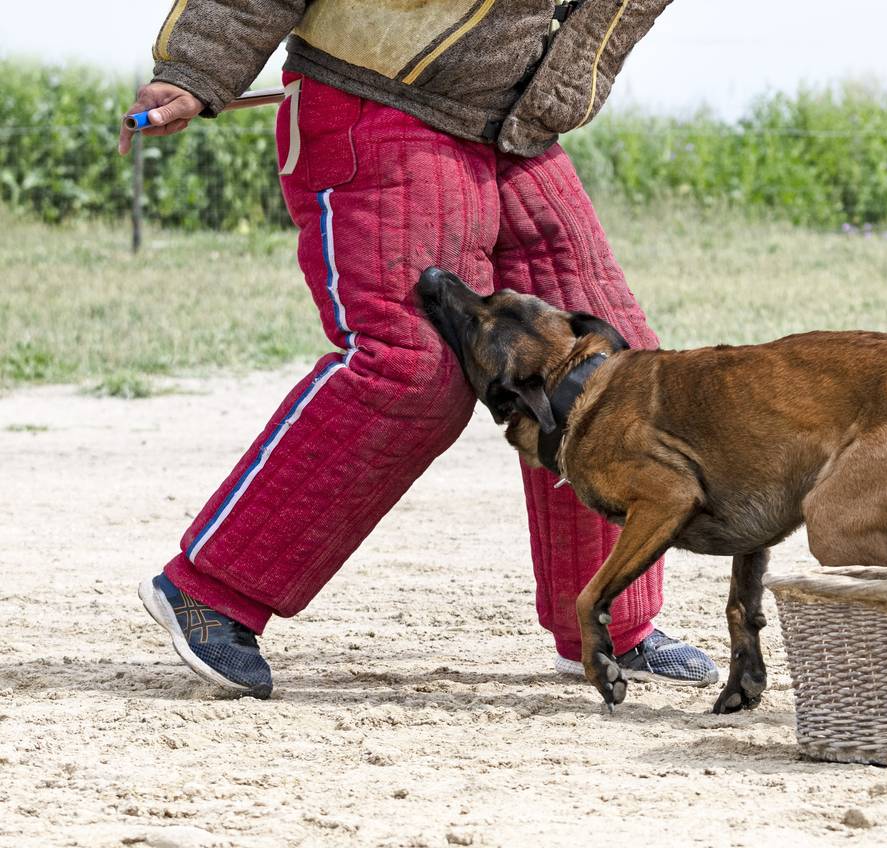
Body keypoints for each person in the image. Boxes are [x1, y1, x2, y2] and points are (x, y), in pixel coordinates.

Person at [120, 0, 718, 700]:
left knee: (611, 377)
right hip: (378, 106)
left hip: (515, 133)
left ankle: (608, 624)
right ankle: (211, 592)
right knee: (411, 368)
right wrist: (196, 68)